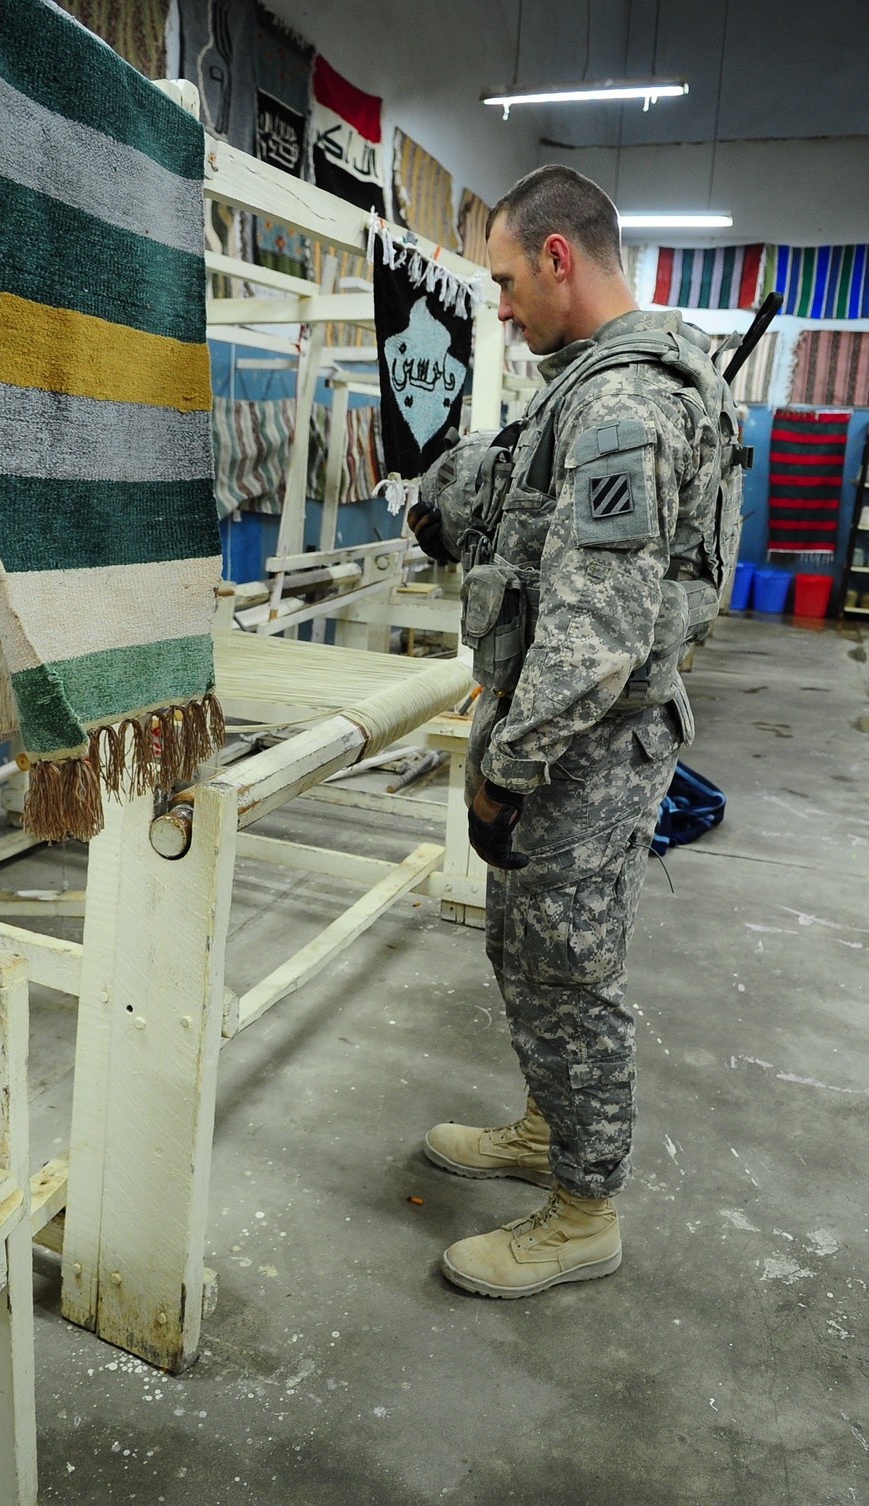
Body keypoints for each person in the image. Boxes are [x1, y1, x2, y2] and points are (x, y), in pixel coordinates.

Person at [408, 164, 740, 1299]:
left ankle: (584, 1211)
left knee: (570, 976)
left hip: (581, 752)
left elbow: (596, 632)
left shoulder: (622, 406)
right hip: (567, 741)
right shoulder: (605, 380)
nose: (501, 307)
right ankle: (549, 1128)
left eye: (507, 281)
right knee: (526, 953)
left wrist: (503, 773)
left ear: (559, 257)